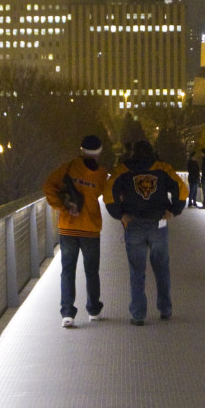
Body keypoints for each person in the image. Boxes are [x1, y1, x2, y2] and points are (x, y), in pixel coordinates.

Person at [105, 138, 186, 323]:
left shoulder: (123, 170)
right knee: (162, 268)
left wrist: (119, 214)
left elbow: (108, 192)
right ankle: (165, 309)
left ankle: (138, 314)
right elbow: (181, 190)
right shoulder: (163, 168)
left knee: (137, 271)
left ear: (133, 153)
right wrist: (174, 211)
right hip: (158, 223)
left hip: (133, 224)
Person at [43, 134, 110, 327]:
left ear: (81, 150)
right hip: (90, 228)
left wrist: (62, 207)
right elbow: (107, 196)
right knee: (91, 271)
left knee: (68, 270)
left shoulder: (69, 167)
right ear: (99, 153)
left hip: (69, 227)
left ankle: (67, 313)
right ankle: (94, 309)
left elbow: (48, 186)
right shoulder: (101, 174)